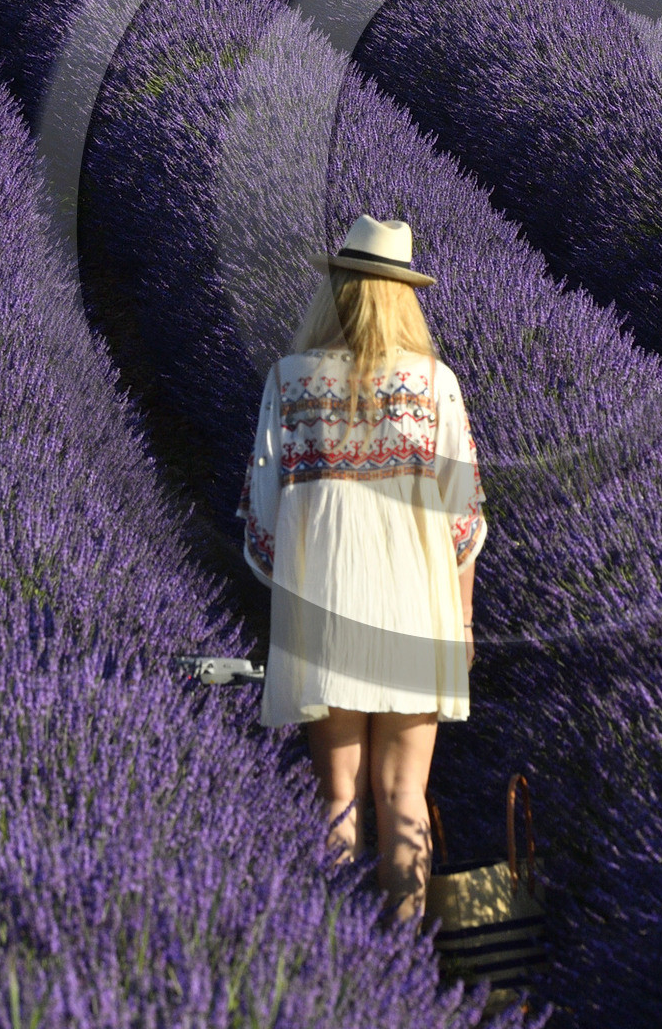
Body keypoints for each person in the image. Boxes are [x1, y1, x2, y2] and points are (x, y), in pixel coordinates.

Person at [238, 214, 486, 922]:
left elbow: (262, 516)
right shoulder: (437, 385)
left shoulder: (291, 383)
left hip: (327, 607)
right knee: (404, 796)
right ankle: (406, 960)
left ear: (338, 293)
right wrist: (462, 621)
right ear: (406, 297)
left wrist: (295, 588)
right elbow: (464, 524)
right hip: (419, 613)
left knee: (337, 793)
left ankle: (343, 958)